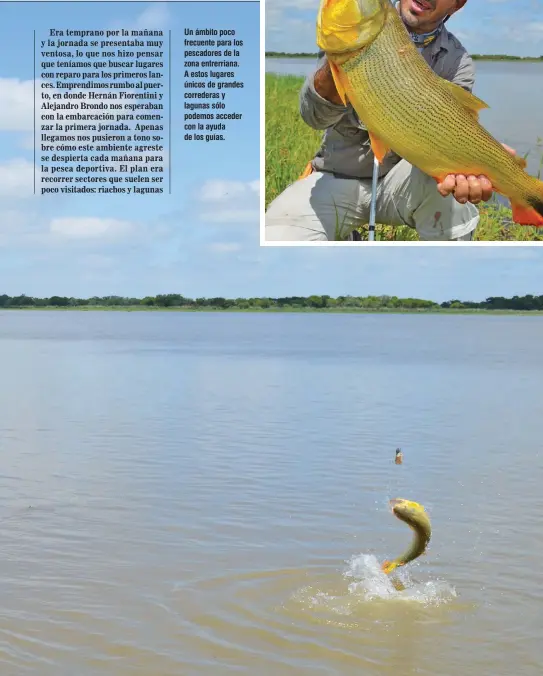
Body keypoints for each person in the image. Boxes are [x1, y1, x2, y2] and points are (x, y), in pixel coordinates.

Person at [265, 0, 517, 242]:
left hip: (402, 184)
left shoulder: (458, 62)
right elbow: (314, 118)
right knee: (276, 234)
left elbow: (456, 130)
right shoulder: (359, 20)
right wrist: (342, 61)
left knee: (454, 198)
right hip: (336, 175)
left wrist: (484, 159)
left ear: (457, 4)